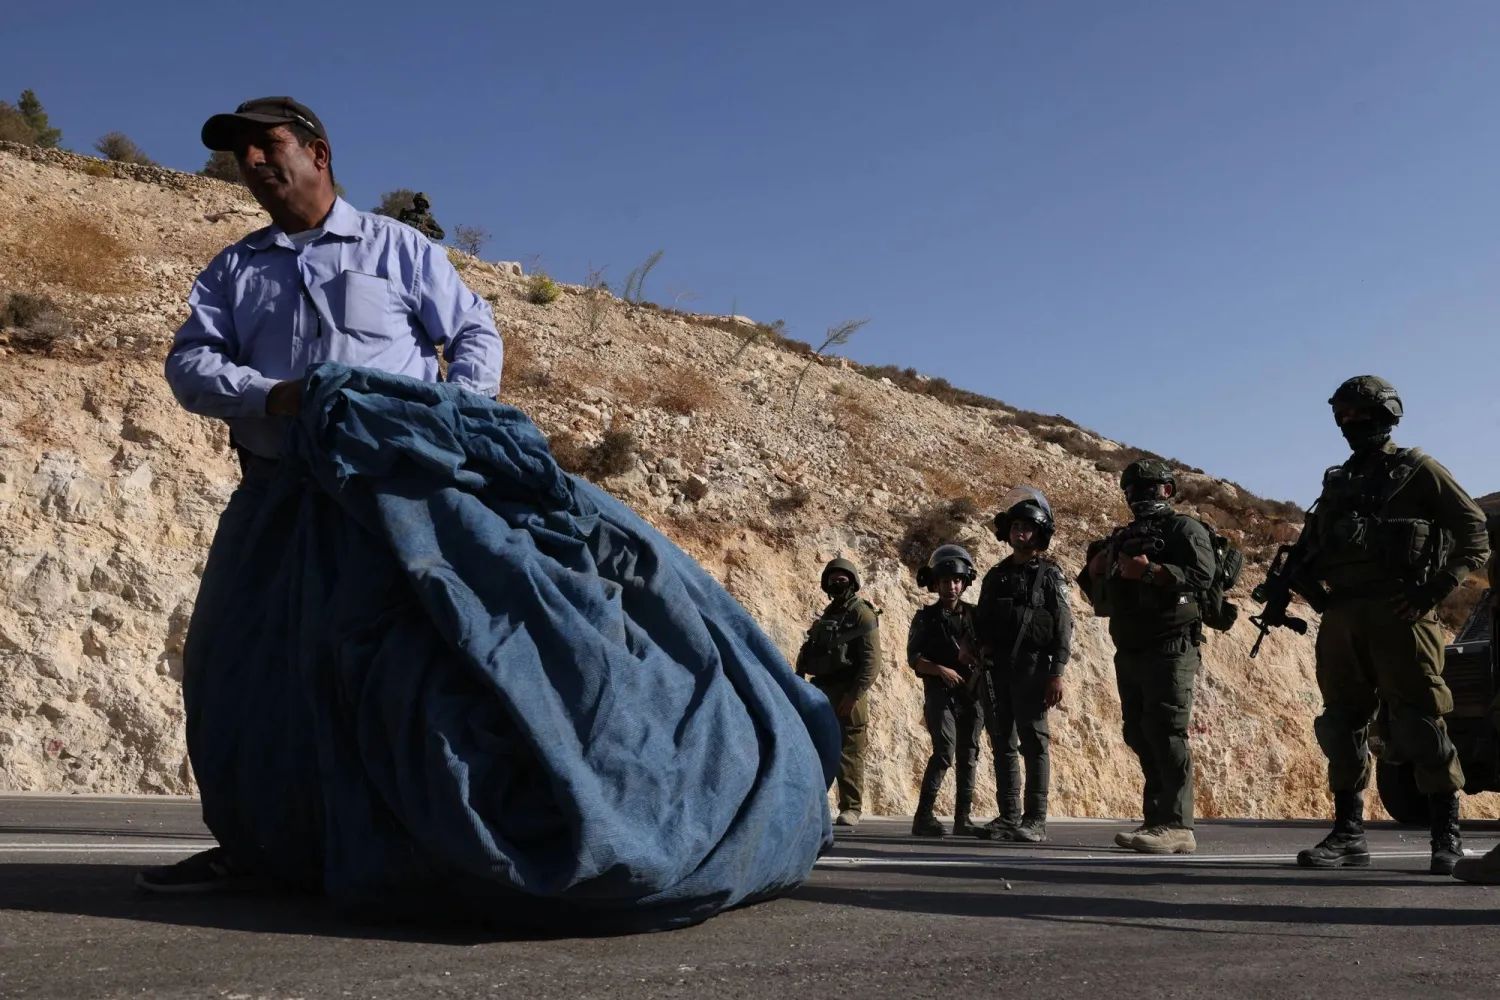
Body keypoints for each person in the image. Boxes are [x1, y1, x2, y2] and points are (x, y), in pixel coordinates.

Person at [141, 96, 503, 893]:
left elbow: (474, 333)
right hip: (278, 495)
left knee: (395, 670)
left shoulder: (397, 248)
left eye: (269, 146)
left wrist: (456, 419)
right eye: (243, 155)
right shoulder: (234, 270)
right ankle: (253, 845)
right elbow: (189, 367)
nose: (256, 164)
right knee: (234, 668)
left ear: (319, 153)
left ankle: (428, 849)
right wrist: (273, 396)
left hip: (391, 500)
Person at [1289, 376, 1488, 876]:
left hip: (1403, 614)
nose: (1353, 424)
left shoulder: (1418, 470)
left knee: (1421, 720)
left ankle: (1447, 836)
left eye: (1364, 414)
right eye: (1346, 416)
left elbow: (1473, 533)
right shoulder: (1338, 481)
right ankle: (1348, 834)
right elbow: (1315, 547)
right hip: (1343, 617)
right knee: (1341, 723)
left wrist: (1435, 589)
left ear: (1389, 415)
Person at [1082, 460, 1216, 855]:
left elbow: (1202, 576)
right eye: (1132, 490)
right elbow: (1099, 595)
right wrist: (1094, 570)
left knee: (1167, 731)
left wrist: (1151, 570)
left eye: (1148, 488)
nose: (1139, 496)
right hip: (1132, 646)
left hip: (1172, 645)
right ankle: (1156, 819)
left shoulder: (1184, 529)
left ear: (1167, 491)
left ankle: (1178, 825)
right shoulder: (1123, 536)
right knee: (1138, 731)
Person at [975, 490, 1071, 843]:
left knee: (1034, 743)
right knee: (1002, 741)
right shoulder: (995, 574)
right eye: (1015, 526)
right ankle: (1008, 816)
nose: (1020, 533)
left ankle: (1035, 820)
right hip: (996, 669)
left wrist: (1057, 672)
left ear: (1039, 533)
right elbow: (981, 621)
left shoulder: (1050, 575)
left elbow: (1062, 626)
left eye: (1028, 528)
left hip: (1033, 668)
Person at [796, 558, 882, 828]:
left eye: (842, 578)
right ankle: (816, 804)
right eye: (832, 578)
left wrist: (854, 695)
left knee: (849, 752)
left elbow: (871, 662)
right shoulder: (830, 612)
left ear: (853, 581)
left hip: (848, 691)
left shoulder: (861, 613)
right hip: (822, 690)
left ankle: (851, 807)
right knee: (818, 748)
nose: (836, 582)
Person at [906, 545, 984, 837]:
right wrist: (942, 670)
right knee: (944, 752)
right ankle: (923, 816)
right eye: (945, 581)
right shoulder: (926, 618)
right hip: (939, 693)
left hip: (971, 693)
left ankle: (963, 819)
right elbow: (914, 659)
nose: (951, 586)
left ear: (964, 582)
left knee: (969, 754)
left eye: (956, 580)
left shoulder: (975, 616)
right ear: (935, 583)